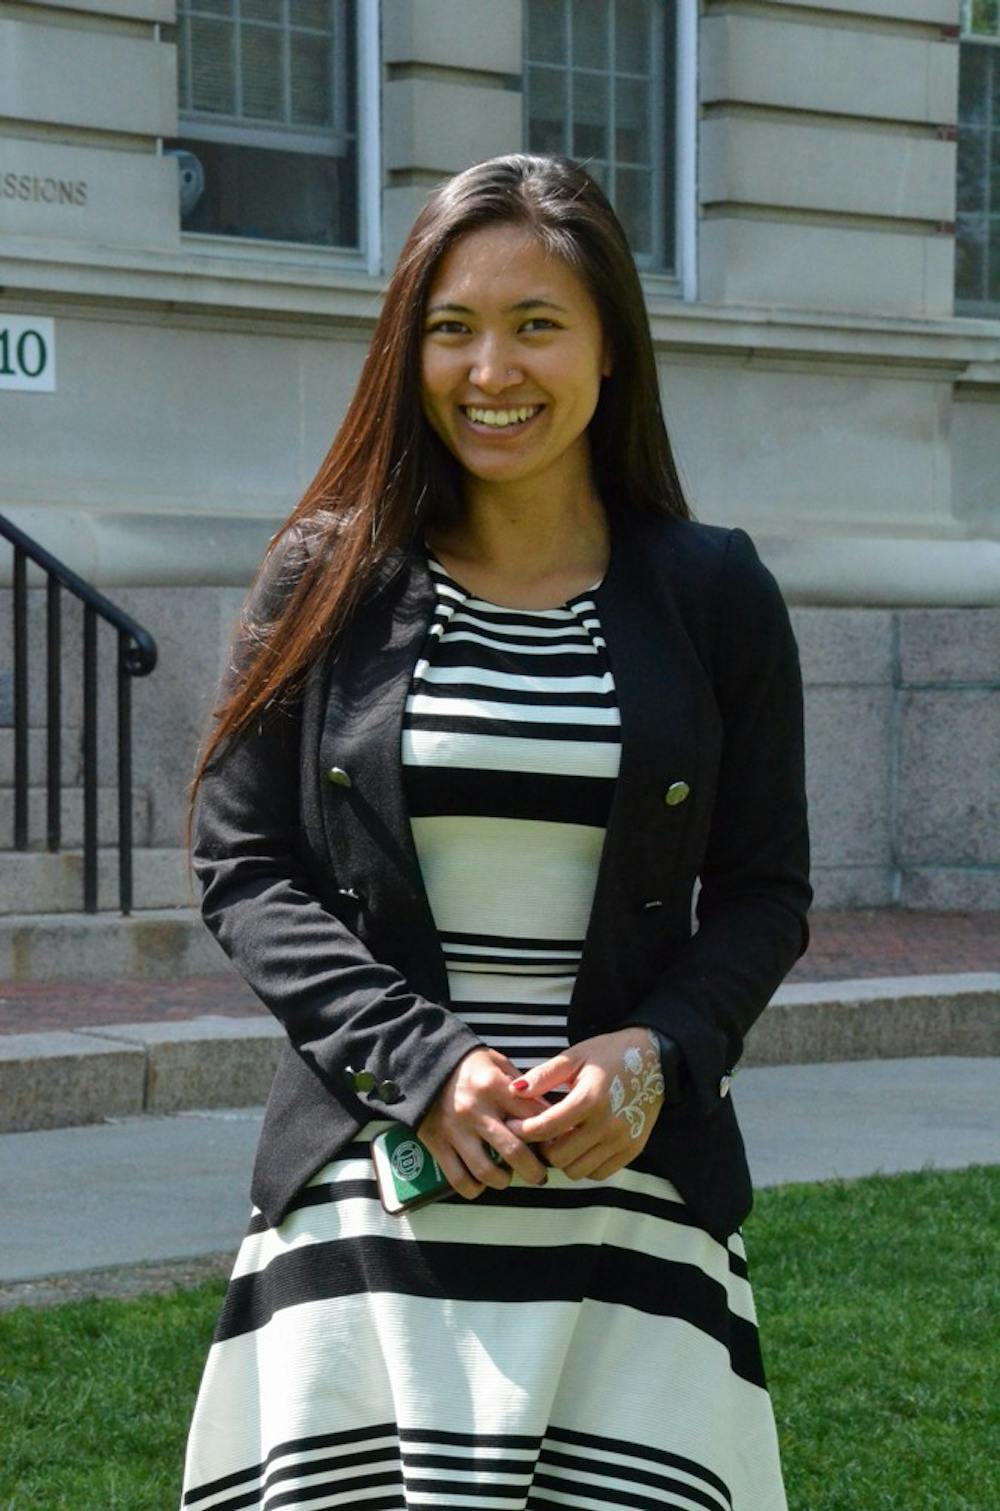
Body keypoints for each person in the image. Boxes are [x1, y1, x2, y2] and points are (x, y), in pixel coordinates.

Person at [180, 153, 811, 1511]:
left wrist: (659, 1056)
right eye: (453, 327)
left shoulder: (715, 594)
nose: (490, 370)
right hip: (371, 1199)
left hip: (632, 1206)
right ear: (408, 349)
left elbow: (767, 889)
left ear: (608, 345)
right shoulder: (323, 577)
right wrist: (423, 1066)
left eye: (537, 324)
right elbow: (243, 867)